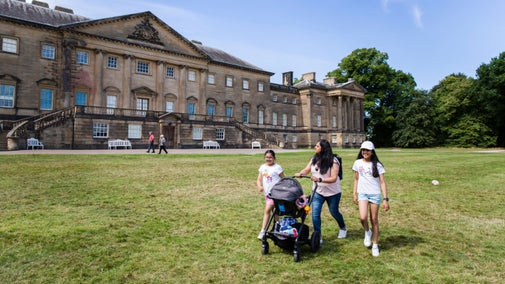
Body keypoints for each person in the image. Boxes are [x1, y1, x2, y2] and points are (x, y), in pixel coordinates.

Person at [294, 139, 347, 244]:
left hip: (333, 193)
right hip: (318, 192)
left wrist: (320, 179)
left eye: (317, 146)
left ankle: (343, 228)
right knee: (315, 214)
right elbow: (306, 169)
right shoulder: (314, 158)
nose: (315, 147)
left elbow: (333, 178)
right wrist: (301, 173)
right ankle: (318, 236)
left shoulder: (333, 160)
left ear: (323, 148)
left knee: (334, 212)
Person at [352, 140, 390, 257]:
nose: (365, 152)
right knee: (363, 218)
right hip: (362, 194)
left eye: (367, 150)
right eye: (363, 150)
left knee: (374, 219)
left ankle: (375, 245)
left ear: (372, 152)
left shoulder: (378, 165)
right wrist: (354, 193)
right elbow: (356, 179)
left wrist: (385, 199)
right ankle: (367, 232)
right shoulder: (358, 163)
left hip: (374, 194)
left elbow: (382, 182)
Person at [257, 149, 285, 239]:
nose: (268, 159)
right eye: (266, 157)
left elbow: (283, 179)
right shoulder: (262, 167)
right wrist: (259, 186)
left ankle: (263, 231)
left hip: (276, 194)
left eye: (270, 157)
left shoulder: (277, 167)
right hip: (267, 193)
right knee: (275, 211)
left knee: (267, 210)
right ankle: (278, 227)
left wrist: (281, 189)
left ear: (274, 158)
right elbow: (258, 179)